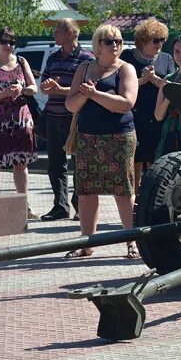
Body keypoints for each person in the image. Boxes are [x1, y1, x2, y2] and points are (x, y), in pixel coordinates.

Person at [64, 25, 139, 259]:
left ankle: (132, 242)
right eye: (109, 41)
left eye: (118, 41)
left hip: (119, 137)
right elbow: (71, 105)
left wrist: (95, 94)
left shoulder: (126, 69)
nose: (115, 45)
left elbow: (127, 103)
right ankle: (87, 244)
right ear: (98, 45)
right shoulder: (84, 68)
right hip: (88, 138)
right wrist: (84, 95)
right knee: (86, 191)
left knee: (123, 190)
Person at [0, 27, 39, 219]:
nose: (8, 46)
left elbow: (33, 88)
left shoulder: (22, 62)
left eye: (12, 42)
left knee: (21, 163)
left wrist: (22, 89)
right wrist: (4, 93)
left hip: (20, 119)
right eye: (4, 42)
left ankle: (23, 205)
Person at [39, 18, 95, 222]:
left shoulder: (87, 58)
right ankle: (60, 206)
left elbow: (86, 88)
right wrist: (47, 87)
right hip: (53, 118)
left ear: (70, 33)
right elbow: (44, 83)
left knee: (80, 164)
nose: (54, 35)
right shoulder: (53, 57)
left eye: (58, 31)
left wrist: (59, 90)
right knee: (55, 164)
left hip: (76, 119)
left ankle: (80, 206)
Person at [120, 17, 175, 190]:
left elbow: (171, 87)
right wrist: (142, 81)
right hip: (133, 115)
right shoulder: (127, 57)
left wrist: (153, 79)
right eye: (156, 40)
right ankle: (133, 200)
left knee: (154, 158)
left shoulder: (166, 58)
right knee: (135, 159)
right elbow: (120, 84)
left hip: (157, 115)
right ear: (143, 40)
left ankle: (152, 197)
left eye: (163, 40)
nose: (160, 44)